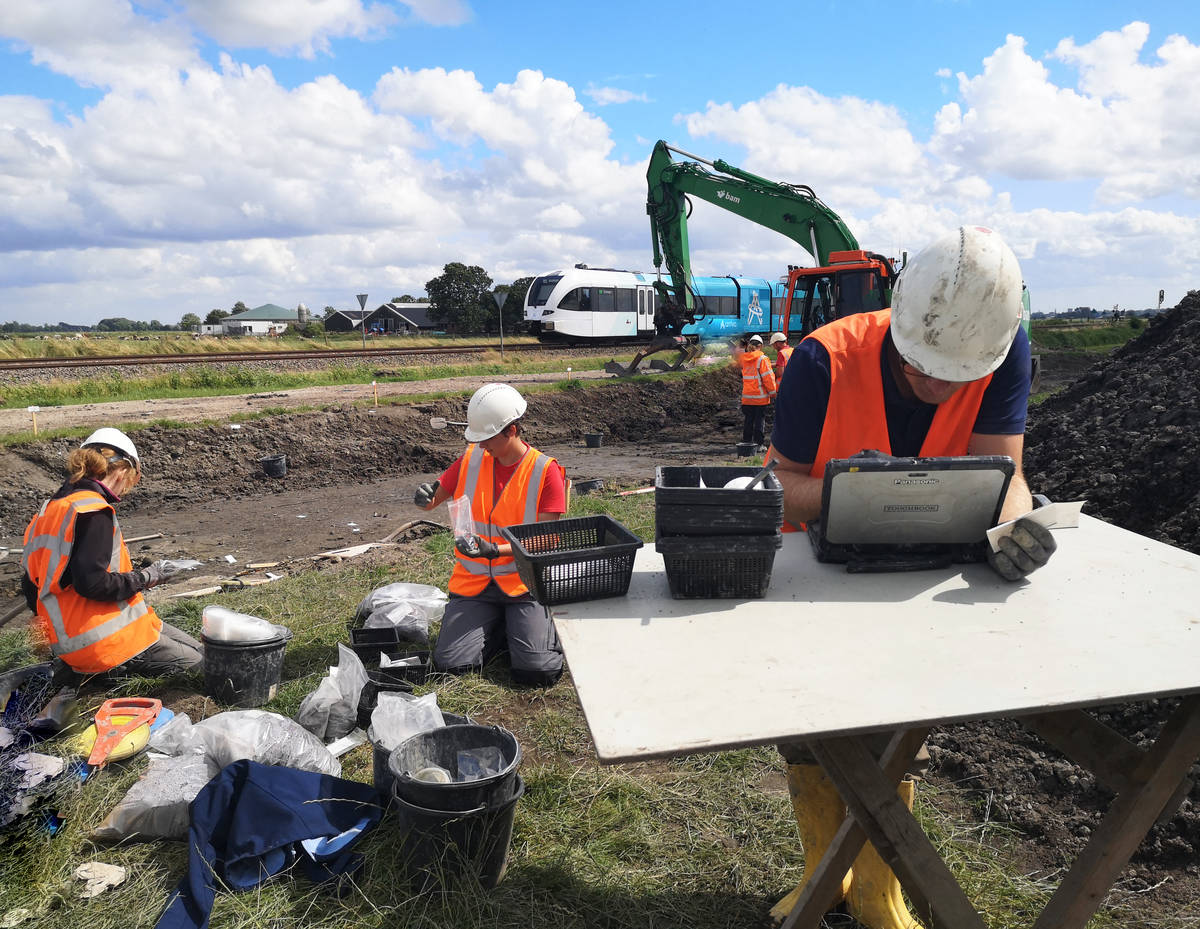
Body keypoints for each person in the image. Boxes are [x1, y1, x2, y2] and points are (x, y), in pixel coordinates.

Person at [764, 226, 1056, 929]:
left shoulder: (1001, 346)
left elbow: (1004, 470)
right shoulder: (820, 359)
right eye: (920, 367)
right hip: (817, 571)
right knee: (808, 724)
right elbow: (780, 486)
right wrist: (854, 487)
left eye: (955, 375)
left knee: (897, 726)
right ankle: (820, 876)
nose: (935, 385)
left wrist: (1014, 524)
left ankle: (877, 889)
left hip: (920, 572)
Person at [413, 383, 566, 687]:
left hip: (525, 585)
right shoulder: (472, 459)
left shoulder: (545, 471)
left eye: (488, 439)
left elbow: (548, 539)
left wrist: (496, 551)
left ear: (511, 431)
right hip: (475, 587)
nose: (483, 446)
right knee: (451, 665)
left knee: (539, 671)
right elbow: (433, 499)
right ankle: (502, 629)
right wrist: (424, 496)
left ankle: (530, 631)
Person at [21, 428, 203, 679]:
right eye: (132, 477)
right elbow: (93, 583)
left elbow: (31, 584)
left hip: (72, 645)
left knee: (204, 651)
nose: (128, 487)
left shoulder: (48, 512)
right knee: (205, 668)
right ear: (122, 468)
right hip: (107, 645)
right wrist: (148, 577)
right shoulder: (93, 511)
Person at [738, 333, 777, 451]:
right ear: (760, 346)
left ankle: (746, 443)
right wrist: (773, 392)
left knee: (748, 420)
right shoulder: (762, 359)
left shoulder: (744, 359)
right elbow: (768, 378)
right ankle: (759, 444)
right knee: (759, 421)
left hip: (747, 397)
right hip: (760, 398)